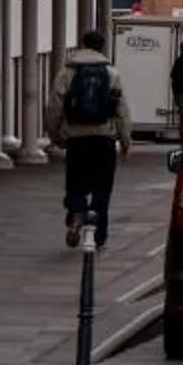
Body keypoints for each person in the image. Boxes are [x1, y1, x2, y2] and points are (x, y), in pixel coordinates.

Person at [49, 27, 133, 251]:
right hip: (104, 140)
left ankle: (76, 212)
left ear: (83, 44)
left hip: (77, 139)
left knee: (75, 182)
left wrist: (55, 134)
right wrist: (126, 141)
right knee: (102, 189)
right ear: (102, 47)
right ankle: (98, 234)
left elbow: (55, 106)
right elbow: (121, 110)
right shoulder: (112, 73)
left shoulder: (67, 73)